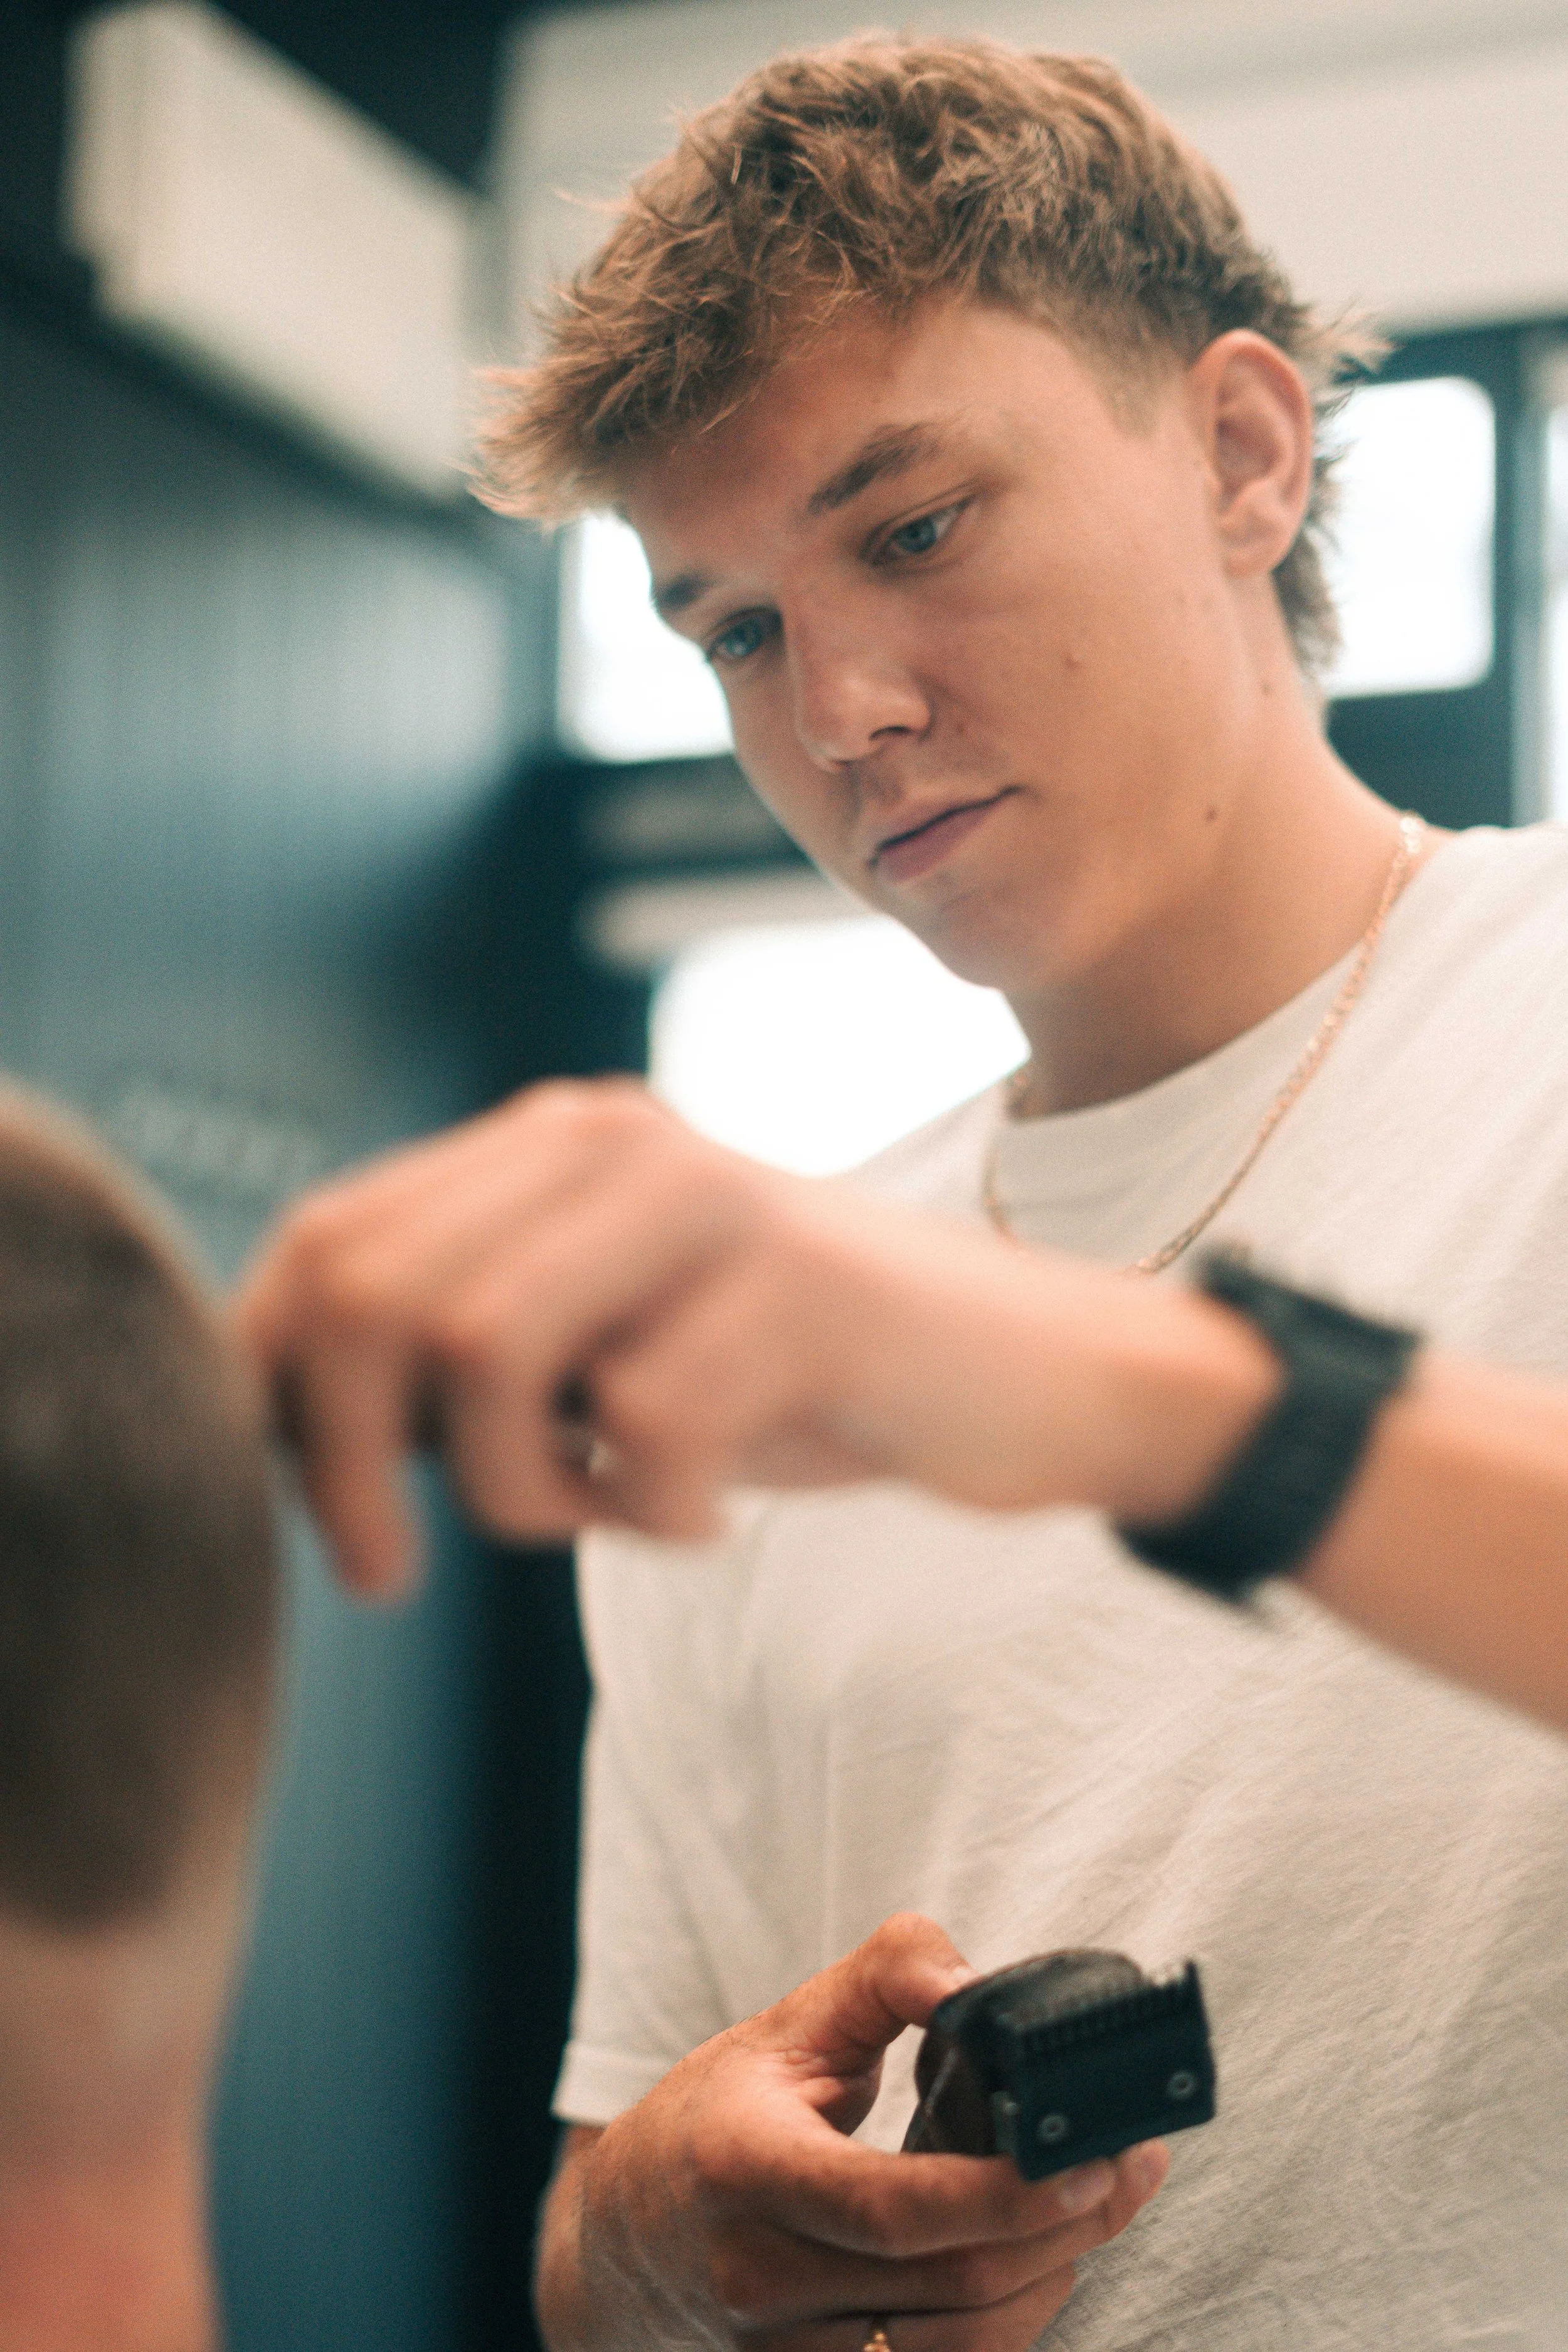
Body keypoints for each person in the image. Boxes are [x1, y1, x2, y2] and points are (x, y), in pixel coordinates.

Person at [240, 35, 1568, 2352]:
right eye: (734, 628)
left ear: (1243, 453)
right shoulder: (778, 1349)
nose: (834, 707)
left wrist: (1149, 1393)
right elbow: (600, 2241)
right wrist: (658, 2232)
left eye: (914, 528)